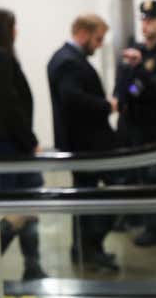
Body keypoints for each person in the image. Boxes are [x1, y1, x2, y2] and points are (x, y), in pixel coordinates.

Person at [47, 14, 119, 272]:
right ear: (82, 32)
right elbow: (73, 98)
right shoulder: (69, 61)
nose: (99, 45)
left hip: (84, 144)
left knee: (86, 197)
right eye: (98, 38)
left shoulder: (64, 58)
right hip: (87, 146)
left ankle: (86, 249)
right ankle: (90, 250)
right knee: (100, 198)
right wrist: (106, 105)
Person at [0, 8, 47, 280]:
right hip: (13, 147)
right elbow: (9, 106)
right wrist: (30, 140)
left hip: (11, 144)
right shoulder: (1, 58)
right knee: (22, 209)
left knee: (28, 209)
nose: (17, 31)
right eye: (14, 26)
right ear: (6, 29)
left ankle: (33, 266)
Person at [113, 0, 156, 246]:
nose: (145, 24)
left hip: (149, 126)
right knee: (127, 174)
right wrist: (119, 95)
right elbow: (123, 82)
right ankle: (132, 217)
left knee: (150, 176)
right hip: (128, 122)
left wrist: (140, 70)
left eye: (151, 19)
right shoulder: (134, 51)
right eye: (143, 19)